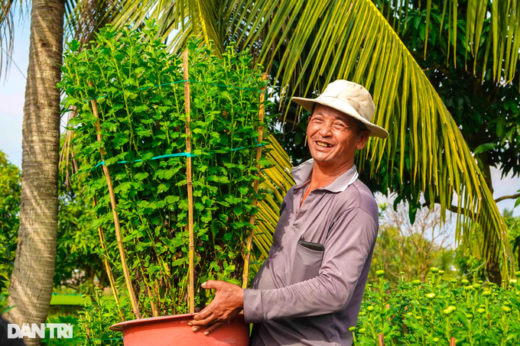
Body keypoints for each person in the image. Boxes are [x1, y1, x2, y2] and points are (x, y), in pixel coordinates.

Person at [189, 80, 389, 345]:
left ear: (361, 139)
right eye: (318, 120)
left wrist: (247, 300)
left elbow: (335, 290)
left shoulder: (355, 204)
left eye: (339, 125)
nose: (324, 132)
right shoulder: (295, 191)